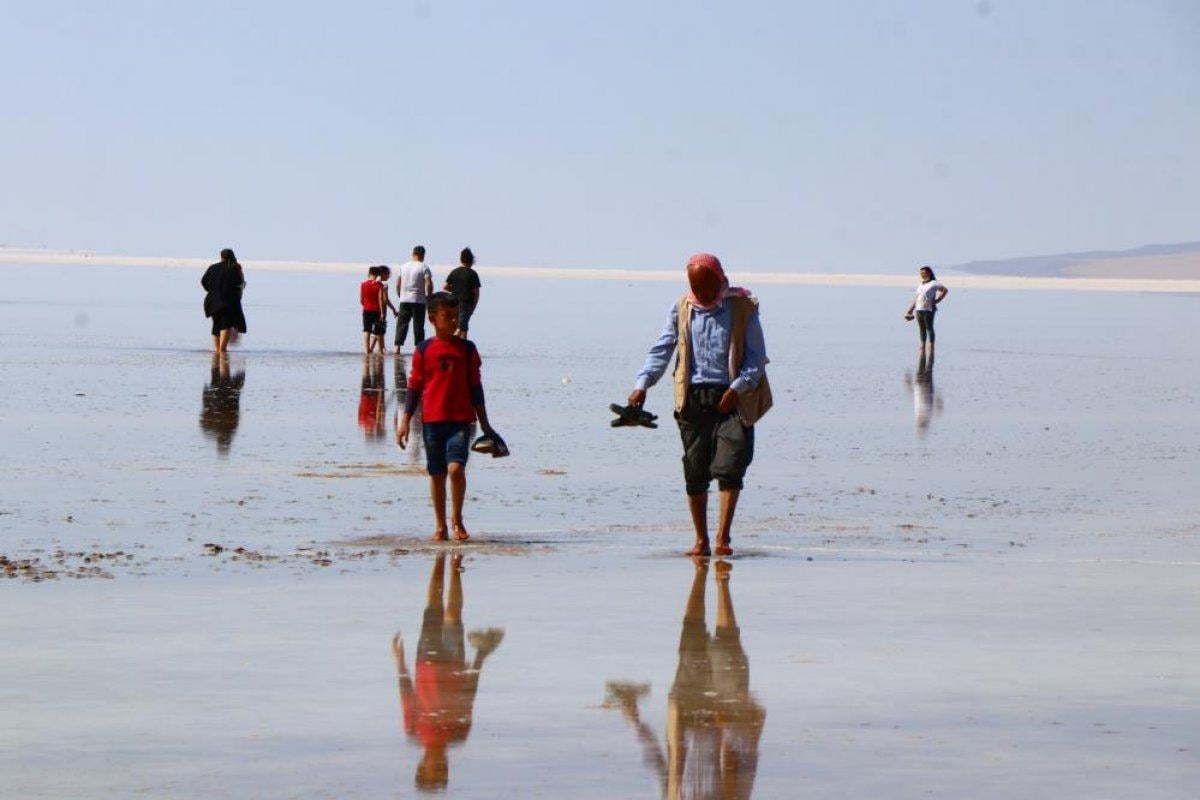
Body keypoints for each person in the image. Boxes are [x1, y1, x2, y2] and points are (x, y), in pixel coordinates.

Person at [627, 253, 771, 557]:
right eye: (696, 287)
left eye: (708, 287)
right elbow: (662, 351)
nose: (703, 294)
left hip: (732, 398)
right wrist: (642, 385)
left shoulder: (742, 308)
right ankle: (701, 540)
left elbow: (756, 359)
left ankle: (723, 538)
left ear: (720, 280)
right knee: (695, 470)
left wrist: (737, 387)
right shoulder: (681, 309)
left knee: (731, 465)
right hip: (692, 398)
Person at [605, 559, 765, 800]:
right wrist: (732, 727)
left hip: (689, 712)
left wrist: (635, 721)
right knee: (725, 638)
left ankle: (705, 572)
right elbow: (747, 757)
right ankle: (719, 577)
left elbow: (658, 763)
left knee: (693, 632)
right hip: (722, 710)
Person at [392, 552, 504, 794]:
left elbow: (406, 695)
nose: (443, 767)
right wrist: (479, 657)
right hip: (454, 663)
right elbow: (468, 697)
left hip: (426, 660)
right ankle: (455, 564)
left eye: (437, 770)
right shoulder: (459, 735)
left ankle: (438, 560)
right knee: (454, 613)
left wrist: (399, 661)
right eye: (444, 772)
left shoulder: (413, 732)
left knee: (433, 605)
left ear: (422, 766)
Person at [397, 292, 497, 541]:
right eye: (447, 317)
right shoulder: (424, 350)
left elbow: (476, 387)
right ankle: (440, 525)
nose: (454, 322)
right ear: (432, 319)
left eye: (456, 317)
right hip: (432, 422)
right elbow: (414, 387)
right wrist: (405, 421)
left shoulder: (467, 349)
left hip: (461, 422)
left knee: (455, 469)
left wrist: (485, 424)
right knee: (437, 474)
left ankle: (457, 519)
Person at [200, 248, 247, 353]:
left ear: (221, 257)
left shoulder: (212, 267)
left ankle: (217, 349)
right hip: (227, 302)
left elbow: (203, 281)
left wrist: (211, 291)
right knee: (226, 324)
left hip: (212, 302)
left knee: (216, 325)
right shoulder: (234, 268)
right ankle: (222, 349)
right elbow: (239, 284)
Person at [199, 353, 245, 455]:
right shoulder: (211, 430)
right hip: (221, 396)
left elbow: (204, 414)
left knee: (218, 374)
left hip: (218, 396)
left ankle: (220, 355)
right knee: (219, 374)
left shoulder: (210, 431)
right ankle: (221, 355)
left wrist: (205, 395)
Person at [395, 245, 435, 350]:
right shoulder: (423, 267)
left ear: (413, 254)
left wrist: (400, 295)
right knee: (418, 326)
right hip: (418, 300)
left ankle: (397, 348)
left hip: (404, 300)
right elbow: (429, 284)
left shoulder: (403, 266)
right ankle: (419, 348)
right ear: (423, 255)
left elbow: (398, 284)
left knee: (402, 324)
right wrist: (429, 297)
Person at [903, 265, 948, 353]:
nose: (923, 274)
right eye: (921, 273)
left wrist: (937, 300)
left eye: (924, 273)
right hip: (919, 309)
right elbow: (917, 298)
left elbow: (945, 290)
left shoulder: (934, 283)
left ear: (929, 273)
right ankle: (922, 346)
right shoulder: (921, 285)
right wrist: (910, 309)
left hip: (929, 309)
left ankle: (931, 346)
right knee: (921, 328)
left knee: (929, 328)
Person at [443, 248, 481, 338]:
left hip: (453, 303)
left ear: (461, 259)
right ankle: (452, 344)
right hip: (466, 303)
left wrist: (455, 289)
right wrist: (473, 307)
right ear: (471, 261)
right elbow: (476, 293)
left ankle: (463, 349)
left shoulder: (454, 272)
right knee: (461, 327)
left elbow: (445, 286)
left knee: (462, 327)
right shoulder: (472, 274)